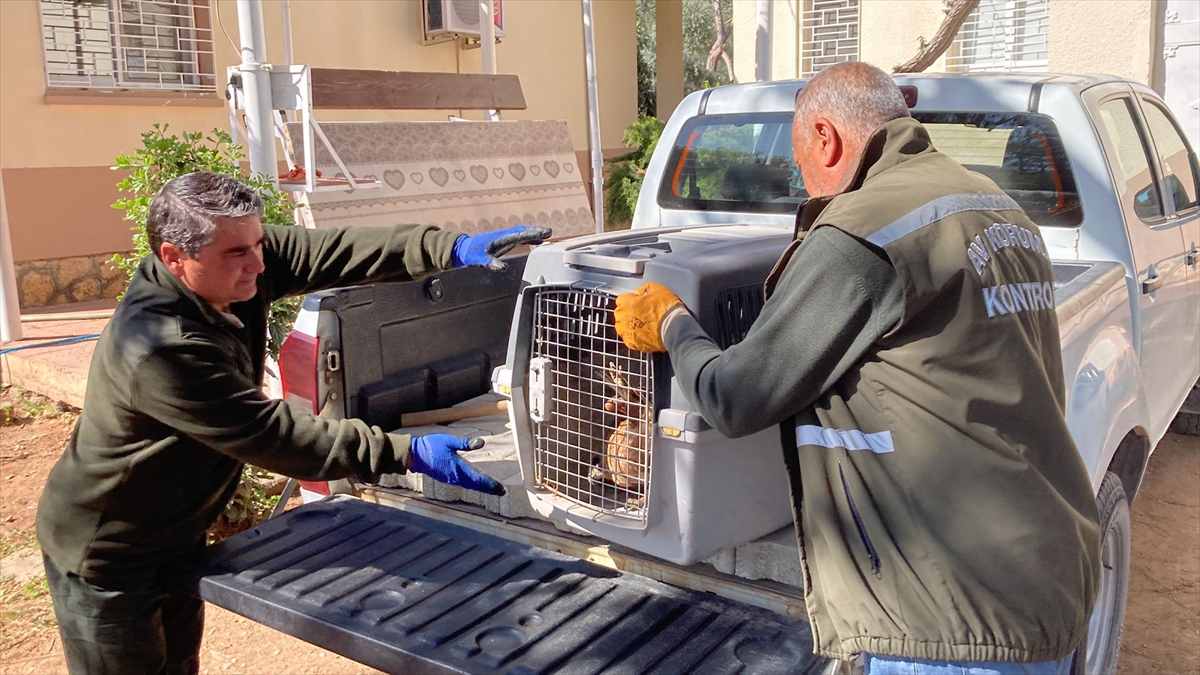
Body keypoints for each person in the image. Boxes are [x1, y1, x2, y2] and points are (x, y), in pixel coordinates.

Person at [613, 63, 1101, 675]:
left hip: (947, 622)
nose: (803, 184)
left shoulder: (861, 233)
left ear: (827, 137)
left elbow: (734, 396)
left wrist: (671, 323)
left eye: (799, 163)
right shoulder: (1001, 210)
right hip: (1043, 577)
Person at [35, 171, 551, 675]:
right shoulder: (161, 348)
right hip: (108, 550)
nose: (259, 264)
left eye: (259, 243)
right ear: (174, 258)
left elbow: (339, 249)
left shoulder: (238, 253)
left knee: (176, 664)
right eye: (237, 254)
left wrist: (448, 249)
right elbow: (274, 436)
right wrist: (405, 453)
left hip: (176, 527)